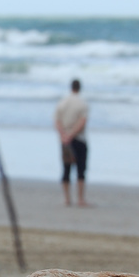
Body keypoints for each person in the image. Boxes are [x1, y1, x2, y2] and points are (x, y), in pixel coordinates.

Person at [54, 78, 89, 207]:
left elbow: (57, 121)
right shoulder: (82, 103)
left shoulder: (62, 103)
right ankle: (80, 199)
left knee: (66, 169)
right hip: (79, 139)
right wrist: (72, 134)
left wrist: (64, 135)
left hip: (65, 140)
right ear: (79, 88)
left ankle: (67, 199)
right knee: (81, 169)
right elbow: (82, 122)